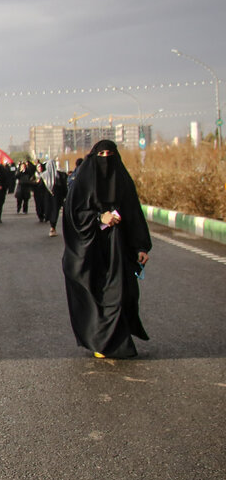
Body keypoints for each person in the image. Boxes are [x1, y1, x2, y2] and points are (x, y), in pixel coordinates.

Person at [62, 140, 151, 358]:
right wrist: (99, 217)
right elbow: (74, 214)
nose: (105, 159)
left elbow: (133, 215)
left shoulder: (123, 181)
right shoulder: (84, 181)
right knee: (97, 296)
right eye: (101, 154)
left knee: (121, 294)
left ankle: (117, 342)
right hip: (91, 251)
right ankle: (101, 342)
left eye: (109, 154)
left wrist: (141, 246)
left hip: (119, 249)